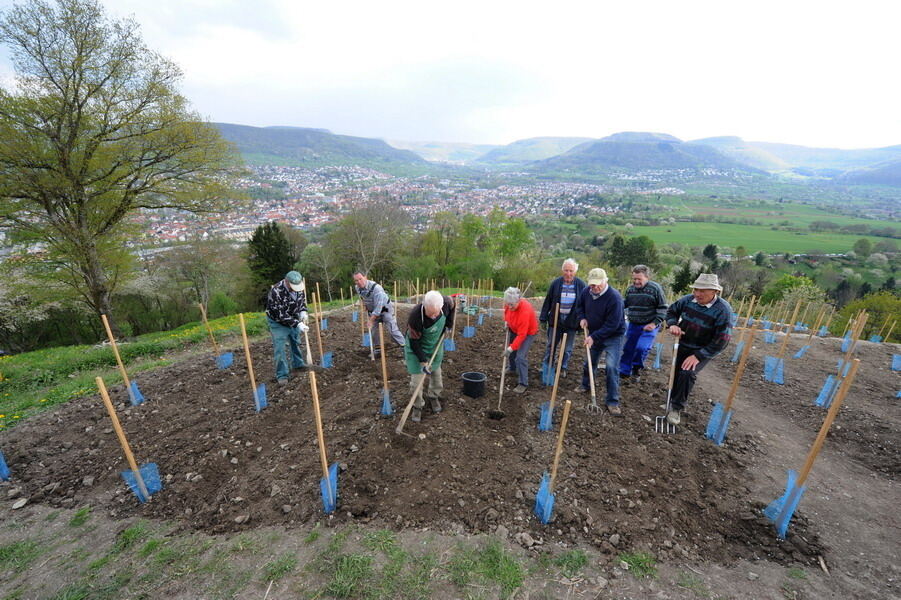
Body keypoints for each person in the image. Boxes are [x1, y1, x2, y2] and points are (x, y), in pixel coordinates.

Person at [664, 273, 733, 426]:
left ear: (715, 292)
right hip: (683, 343)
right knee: (676, 373)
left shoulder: (723, 310)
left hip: (702, 348)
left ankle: (676, 408)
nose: (698, 294)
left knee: (687, 373)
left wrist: (699, 355)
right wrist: (673, 324)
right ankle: (669, 400)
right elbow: (671, 311)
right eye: (696, 289)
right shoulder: (688, 300)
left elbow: (722, 340)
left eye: (703, 291)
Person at [574, 268, 626, 415]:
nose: (595, 288)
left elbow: (612, 325)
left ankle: (612, 401)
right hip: (594, 333)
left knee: (611, 367)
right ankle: (586, 385)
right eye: (592, 285)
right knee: (590, 361)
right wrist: (582, 318)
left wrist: (593, 337)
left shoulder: (614, 298)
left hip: (613, 336)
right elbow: (580, 307)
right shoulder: (586, 292)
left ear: (605, 281)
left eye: (598, 284)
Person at [405, 290, 455, 422]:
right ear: (424, 305)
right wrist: (422, 361)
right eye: (430, 313)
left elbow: (453, 307)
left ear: (441, 306)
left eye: (436, 313)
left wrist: (449, 325)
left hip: (435, 345)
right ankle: (417, 406)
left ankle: (434, 396)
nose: (433, 316)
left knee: (436, 375)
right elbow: (414, 342)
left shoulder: (447, 302)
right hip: (417, 347)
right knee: (416, 382)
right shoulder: (415, 317)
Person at [619, 265, 668, 383]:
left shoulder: (655, 289)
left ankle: (636, 368)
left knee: (641, 348)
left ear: (647, 277)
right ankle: (624, 371)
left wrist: (654, 323)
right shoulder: (630, 290)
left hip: (649, 325)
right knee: (628, 348)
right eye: (634, 279)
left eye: (639, 279)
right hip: (633, 324)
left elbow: (663, 308)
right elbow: (625, 304)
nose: (636, 282)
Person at [539, 258, 587, 378]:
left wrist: (582, 323)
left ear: (575, 271)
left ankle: (562, 367)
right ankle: (547, 365)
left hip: (572, 322)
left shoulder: (581, 285)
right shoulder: (556, 283)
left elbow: (585, 305)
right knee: (551, 346)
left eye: (571, 270)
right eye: (566, 270)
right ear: (562, 270)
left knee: (567, 349)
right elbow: (548, 301)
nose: (568, 273)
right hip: (556, 320)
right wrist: (543, 318)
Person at [265, 270, 310, 385]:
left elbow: (302, 302)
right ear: (287, 282)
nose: (296, 288)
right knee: (280, 347)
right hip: (278, 322)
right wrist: (298, 324)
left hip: (293, 318)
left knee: (295, 341)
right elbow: (281, 315)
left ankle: (298, 364)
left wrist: (303, 311)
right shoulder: (276, 291)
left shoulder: (299, 288)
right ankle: (282, 375)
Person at [353, 270, 405, 353]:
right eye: (356, 280)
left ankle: (404, 346)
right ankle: (378, 348)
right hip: (373, 310)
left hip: (385, 309)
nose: (359, 282)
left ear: (365, 277)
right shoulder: (357, 288)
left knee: (392, 329)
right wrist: (365, 305)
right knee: (373, 330)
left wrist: (371, 320)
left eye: (360, 279)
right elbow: (362, 297)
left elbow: (378, 308)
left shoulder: (376, 289)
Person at [503, 287, 539, 393]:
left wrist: (510, 348)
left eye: (512, 305)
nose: (509, 307)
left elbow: (522, 335)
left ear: (518, 301)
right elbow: (506, 312)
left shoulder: (525, 310)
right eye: (508, 304)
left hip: (528, 333)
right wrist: (506, 321)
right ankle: (512, 368)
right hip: (514, 329)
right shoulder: (509, 302)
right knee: (512, 351)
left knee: (520, 357)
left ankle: (523, 383)